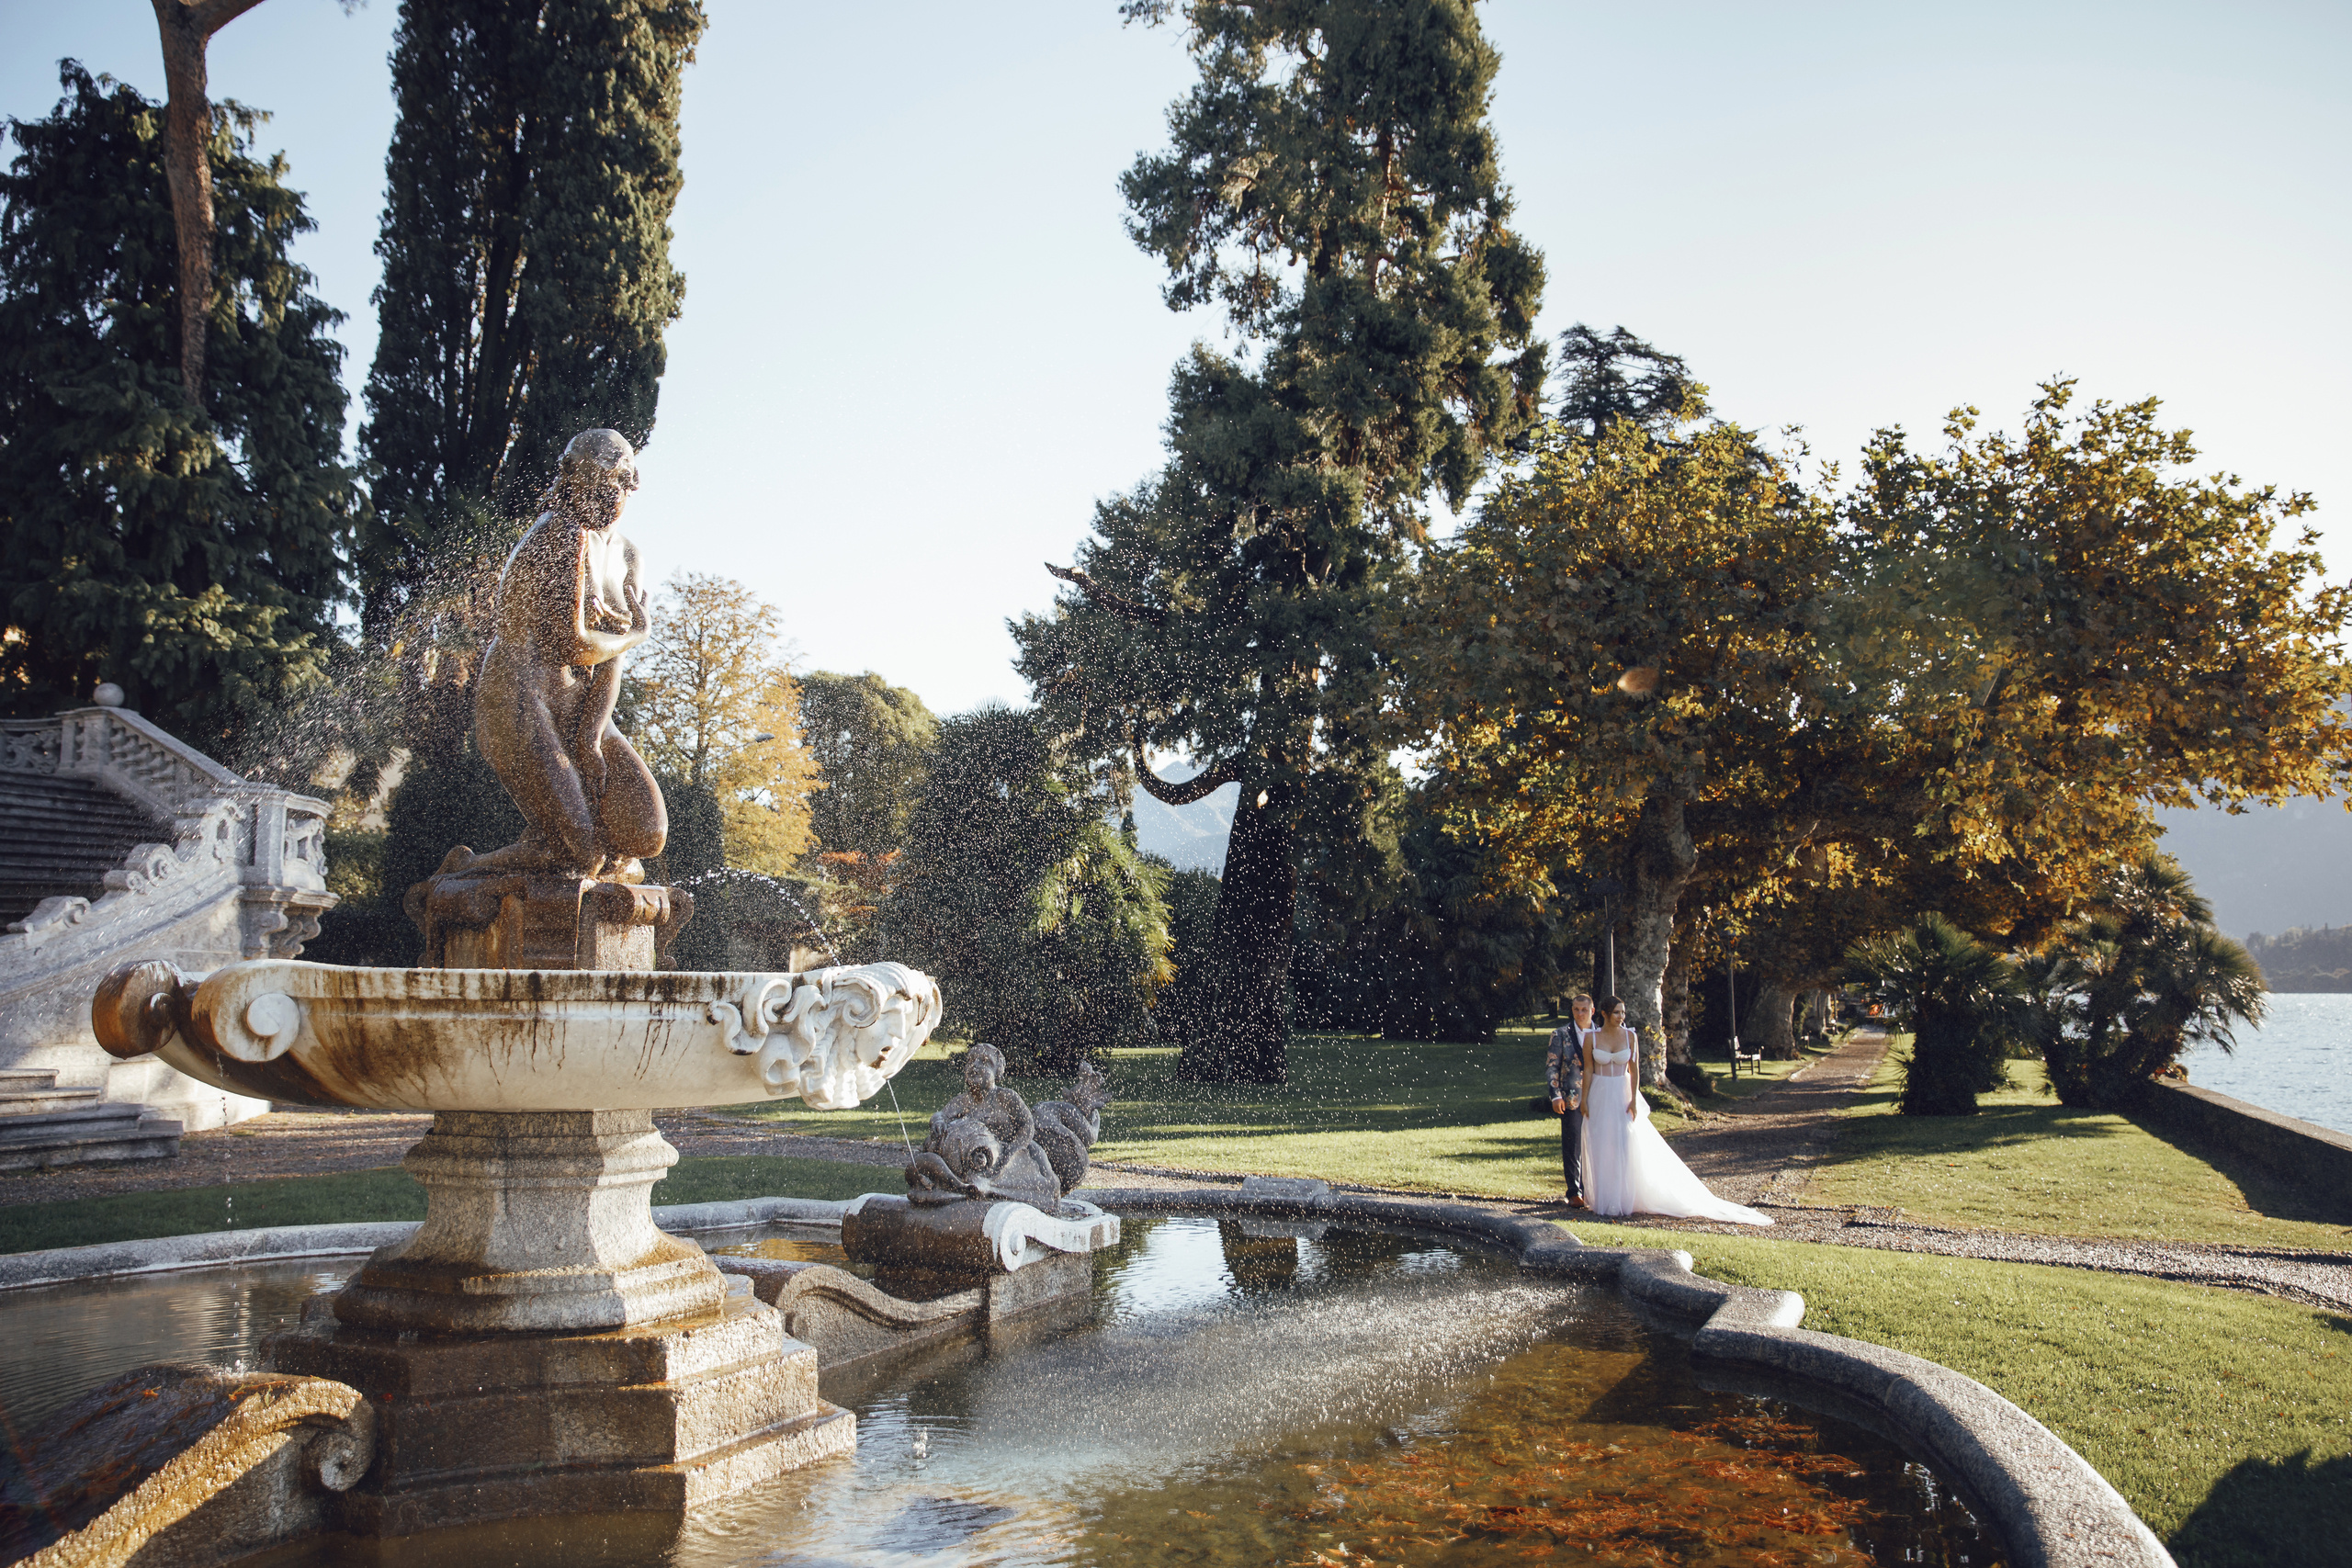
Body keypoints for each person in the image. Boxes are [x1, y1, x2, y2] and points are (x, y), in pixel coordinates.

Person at [470, 428, 666, 880]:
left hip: (576, 706)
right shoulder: (559, 536)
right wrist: (636, 634)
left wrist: (592, 735)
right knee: (581, 851)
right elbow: (574, 644)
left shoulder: (627, 554)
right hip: (519, 699)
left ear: (628, 484)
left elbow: (608, 657)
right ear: (569, 482)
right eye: (589, 487)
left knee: (644, 834)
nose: (601, 499)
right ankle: (470, 868)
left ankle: (551, 848)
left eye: (612, 487)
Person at [1580, 996, 1772, 1225]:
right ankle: (1605, 1198)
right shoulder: (1591, 1038)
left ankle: (1623, 1199)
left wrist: (1633, 1099)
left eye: (1623, 1013)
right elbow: (1589, 1070)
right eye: (1617, 1013)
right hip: (1600, 1093)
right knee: (1602, 1143)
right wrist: (1585, 1099)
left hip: (1622, 1093)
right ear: (1604, 1014)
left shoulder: (1630, 1036)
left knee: (1624, 1143)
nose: (1621, 1017)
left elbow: (1634, 1070)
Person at [1545, 995, 1596, 1208]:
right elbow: (1552, 1066)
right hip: (1571, 1097)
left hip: (1599, 1095)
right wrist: (1555, 1094)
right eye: (1576, 1009)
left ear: (1592, 1010)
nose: (1580, 1014)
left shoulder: (1601, 1034)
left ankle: (1594, 1189)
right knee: (1572, 1143)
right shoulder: (1560, 1034)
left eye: (1584, 1009)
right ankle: (1574, 1192)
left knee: (1596, 1144)